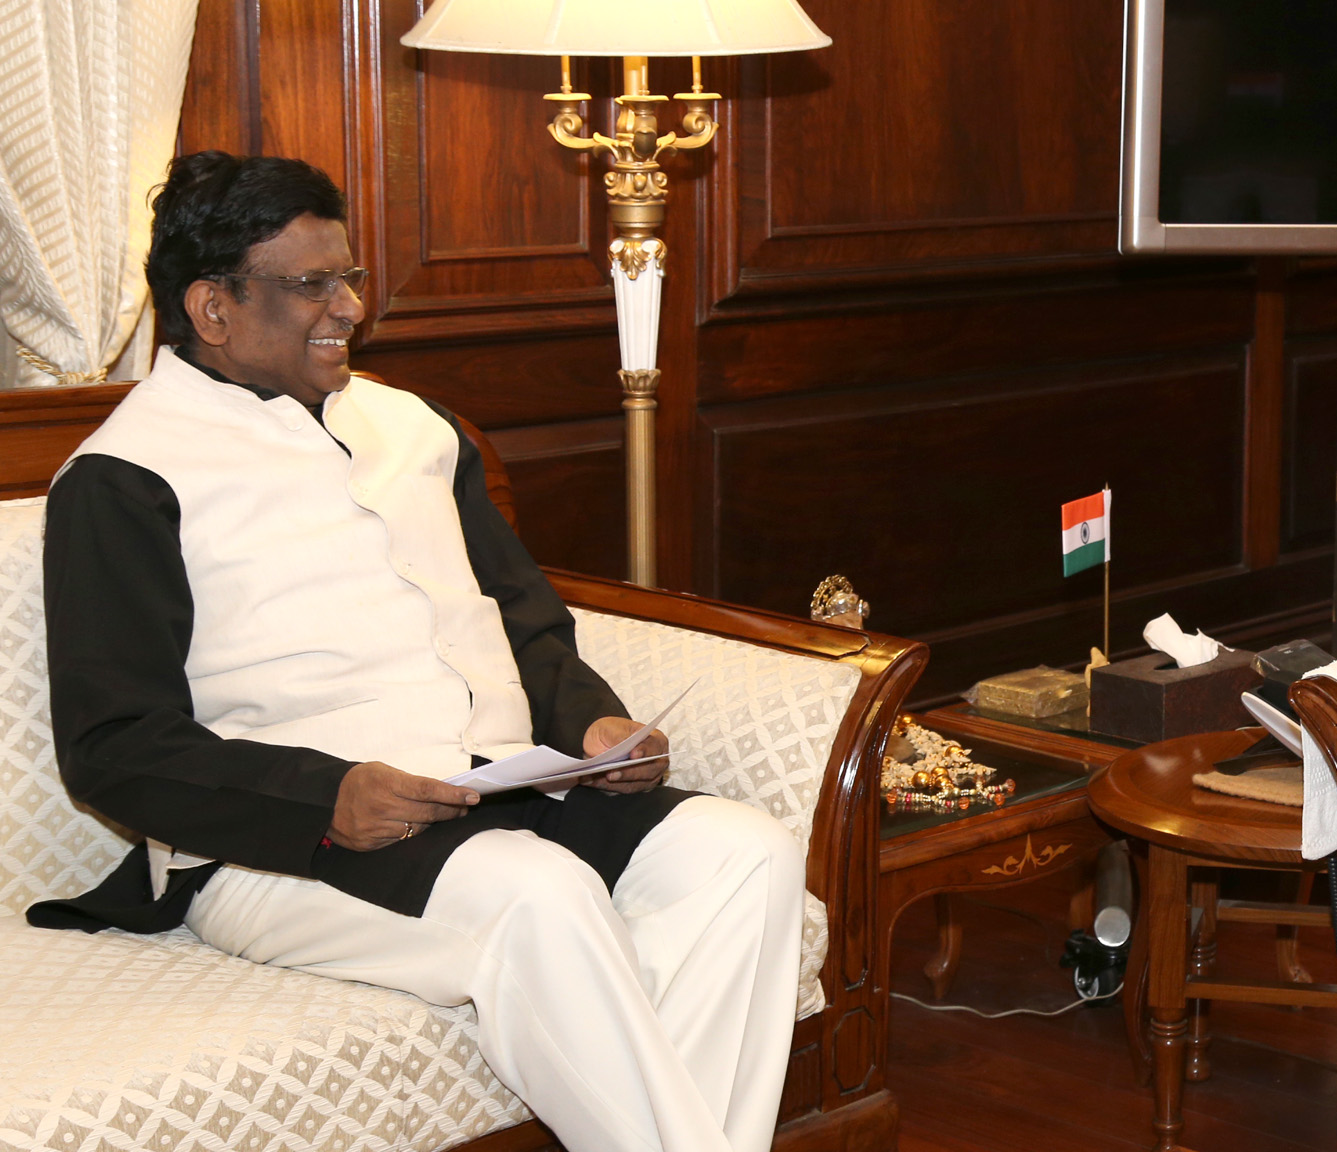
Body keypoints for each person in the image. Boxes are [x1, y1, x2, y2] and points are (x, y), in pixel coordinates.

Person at [32, 151, 805, 1152]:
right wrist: (327, 798)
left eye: (348, 277)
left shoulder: (416, 427)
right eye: (308, 284)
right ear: (211, 309)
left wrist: (590, 722)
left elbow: (524, 615)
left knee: (744, 854)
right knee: (540, 896)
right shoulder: (123, 478)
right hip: (279, 847)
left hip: (502, 788)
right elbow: (114, 745)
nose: (347, 308)